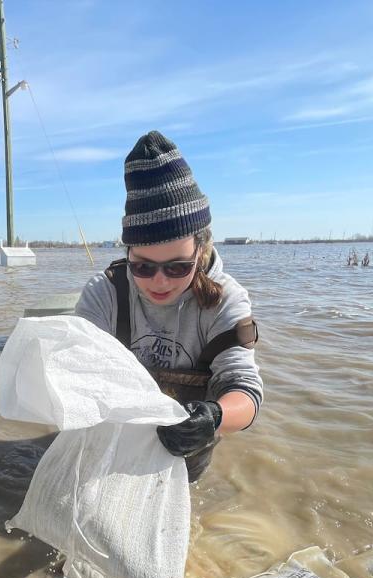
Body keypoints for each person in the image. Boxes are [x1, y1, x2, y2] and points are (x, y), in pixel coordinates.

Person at [75, 130, 263, 482]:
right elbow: (77, 375)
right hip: (113, 443)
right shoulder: (104, 293)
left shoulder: (226, 300)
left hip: (187, 454)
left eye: (178, 266)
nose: (160, 282)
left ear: (202, 249)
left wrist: (214, 418)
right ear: (127, 253)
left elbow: (246, 392)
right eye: (143, 266)